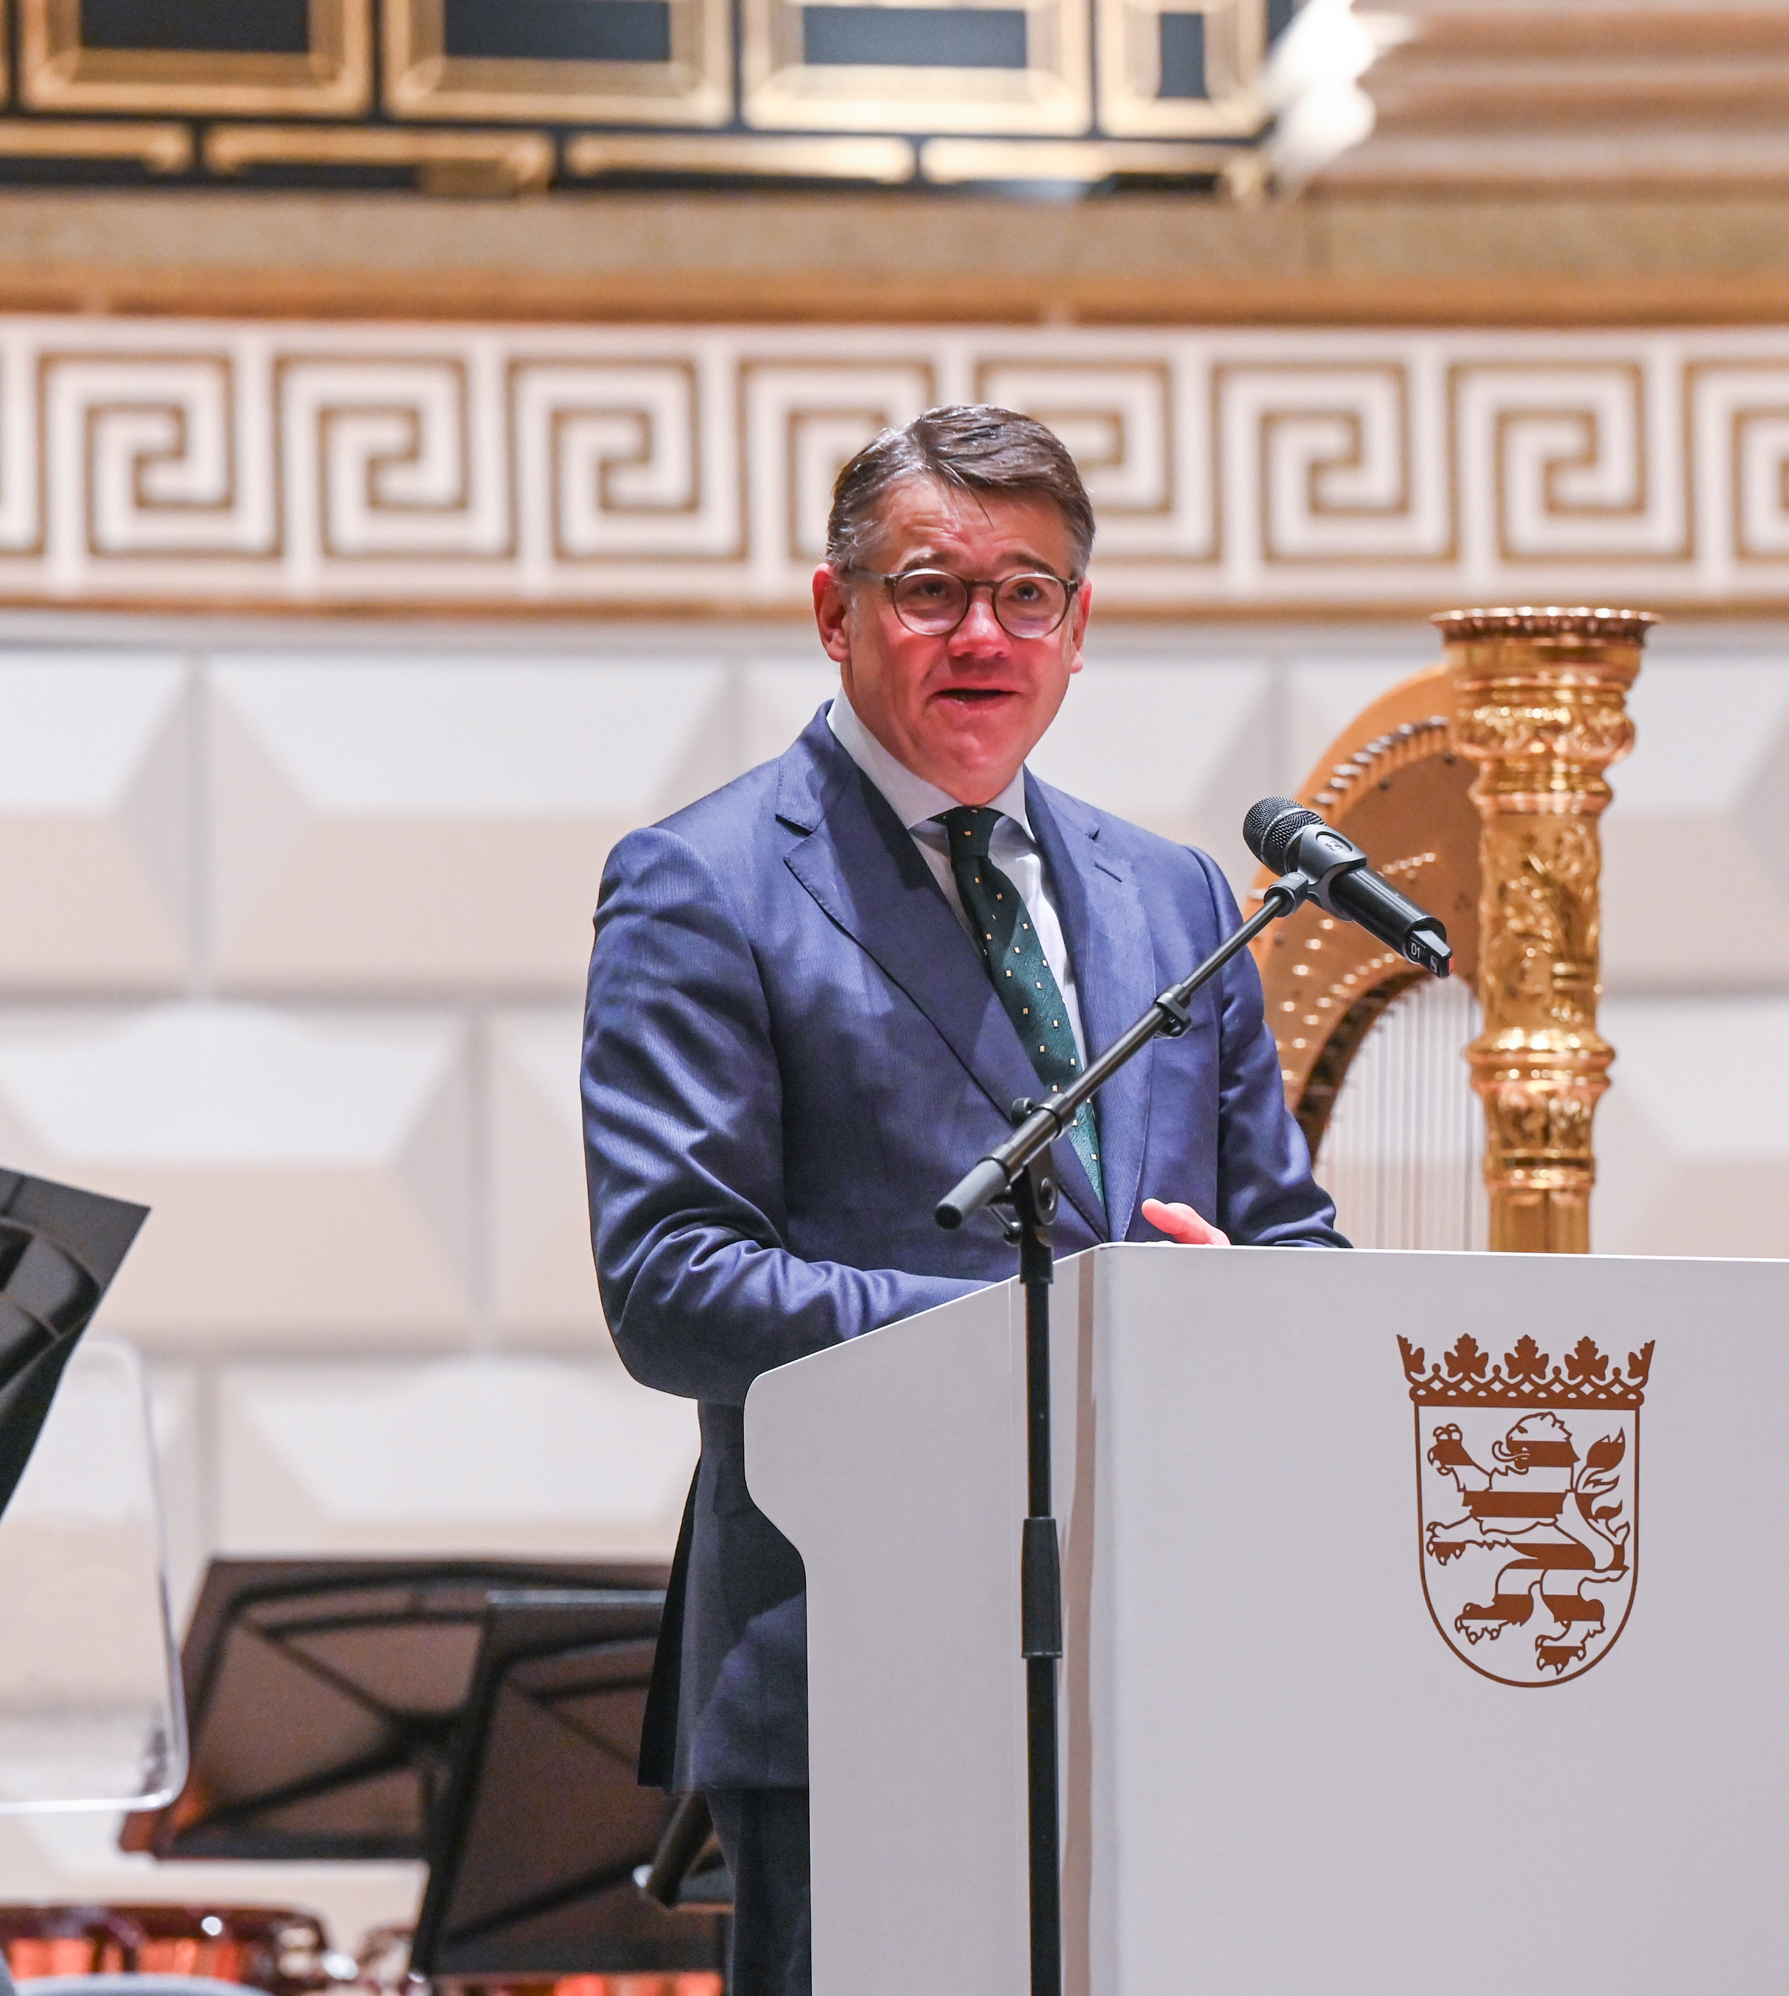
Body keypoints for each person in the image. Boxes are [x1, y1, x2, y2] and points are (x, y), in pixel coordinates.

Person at [580, 404, 1343, 1995]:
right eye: (932, 591)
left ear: (1080, 626)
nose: (983, 636)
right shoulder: (705, 882)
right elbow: (672, 1284)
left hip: (1164, 1664)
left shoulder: (1178, 895)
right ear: (835, 611)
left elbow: (1290, 1246)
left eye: (1028, 595)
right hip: (855, 1656)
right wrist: (1056, 1329)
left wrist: (1252, 1306)